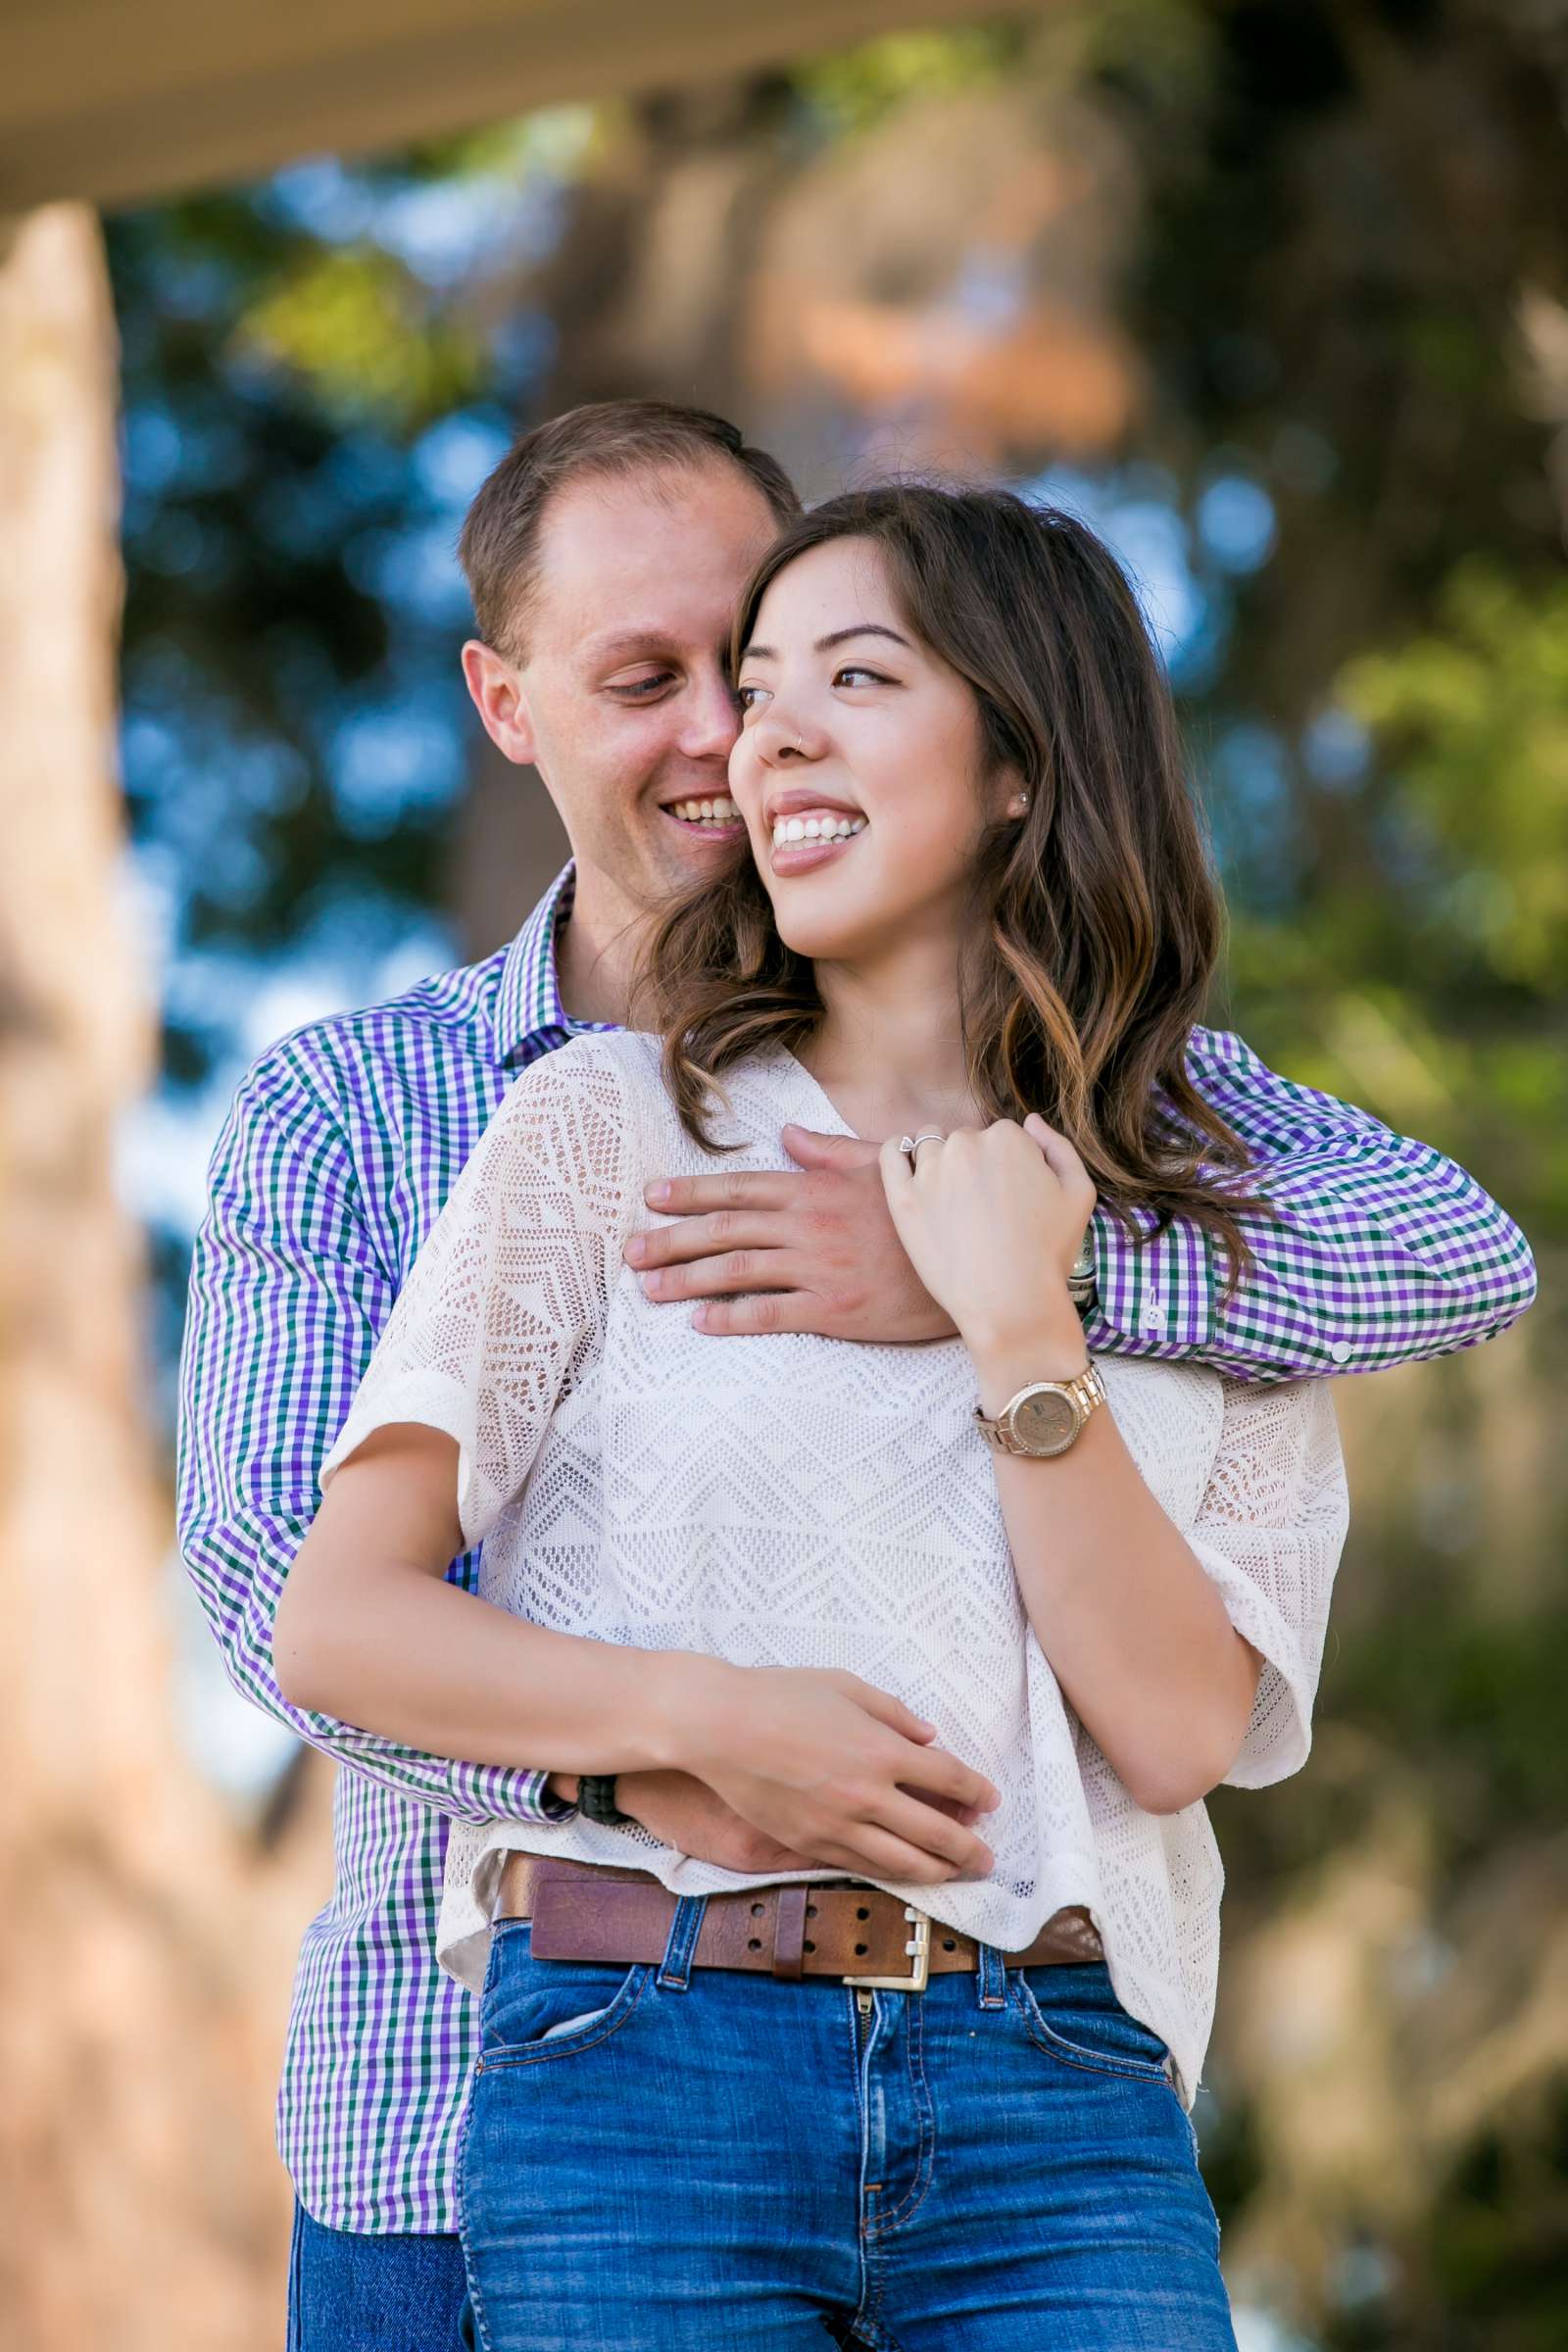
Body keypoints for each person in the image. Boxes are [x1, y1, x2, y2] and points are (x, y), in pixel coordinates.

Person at [176, 404, 1536, 2352]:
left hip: (1044, 2070)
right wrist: (669, 1751)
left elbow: (1447, 1257)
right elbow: (279, 1598)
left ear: (1005, 749)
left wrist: (995, 1274)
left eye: (781, 663)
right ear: (504, 705)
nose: (734, 736)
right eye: (655, 681)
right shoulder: (412, 1109)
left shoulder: (1172, 1142)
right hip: (486, 2092)